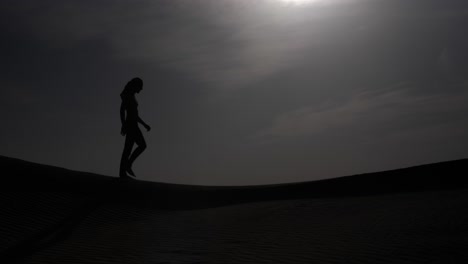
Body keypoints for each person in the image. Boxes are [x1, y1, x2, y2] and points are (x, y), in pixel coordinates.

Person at [119, 77, 151, 178]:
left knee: (129, 149)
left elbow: (135, 115)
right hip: (131, 125)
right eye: (140, 87)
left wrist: (144, 124)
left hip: (133, 125)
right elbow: (122, 110)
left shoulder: (132, 96)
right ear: (136, 86)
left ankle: (124, 170)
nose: (141, 89)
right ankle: (126, 168)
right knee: (137, 147)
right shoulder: (128, 96)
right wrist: (123, 124)